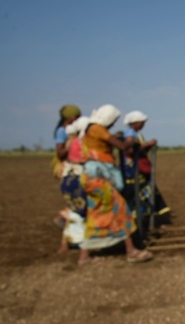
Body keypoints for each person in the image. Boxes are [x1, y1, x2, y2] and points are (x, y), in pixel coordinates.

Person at [79, 104, 153, 265]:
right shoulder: (98, 129)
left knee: (95, 214)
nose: (113, 125)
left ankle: (84, 257)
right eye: (113, 121)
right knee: (121, 209)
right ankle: (131, 251)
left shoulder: (90, 129)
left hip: (90, 177)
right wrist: (129, 141)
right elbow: (122, 147)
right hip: (99, 179)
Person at [119, 111, 171, 231]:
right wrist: (147, 144)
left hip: (138, 167)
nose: (143, 124)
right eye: (142, 122)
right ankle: (139, 222)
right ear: (135, 123)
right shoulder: (130, 134)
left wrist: (147, 146)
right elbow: (130, 151)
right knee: (142, 192)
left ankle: (147, 220)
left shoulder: (136, 133)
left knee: (148, 192)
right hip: (133, 169)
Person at [56, 116, 90, 254]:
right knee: (86, 213)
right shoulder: (82, 142)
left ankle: (64, 244)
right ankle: (85, 249)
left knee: (73, 212)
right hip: (79, 179)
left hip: (68, 179)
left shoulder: (71, 141)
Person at [52, 104, 82, 228]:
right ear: (71, 118)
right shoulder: (62, 131)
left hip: (72, 165)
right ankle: (62, 218)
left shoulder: (70, 131)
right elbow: (60, 153)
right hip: (66, 166)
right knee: (75, 194)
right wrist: (70, 145)